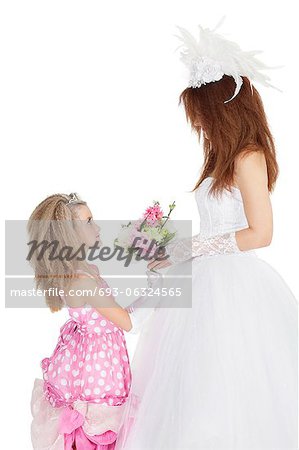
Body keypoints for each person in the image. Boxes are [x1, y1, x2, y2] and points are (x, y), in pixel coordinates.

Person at [114, 20, 299, 450]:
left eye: (199, 113)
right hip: (203, 280)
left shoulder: (248, 157)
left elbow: (262, 233)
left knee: (227, 388)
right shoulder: (219, 159)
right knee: (189, 388)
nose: (196, 123)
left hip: (234, 287)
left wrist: (189, 247)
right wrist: (174, 253)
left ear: (219, 110)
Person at [28, 192, 163, 450]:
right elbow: (128, 323)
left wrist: (152, 285)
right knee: (94, 429)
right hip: (96, 373)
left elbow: (115, 316)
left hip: (95, 362)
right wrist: (158, 287)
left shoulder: (85, 271)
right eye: (88, 221)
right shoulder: (82, 281)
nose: (97, 226)